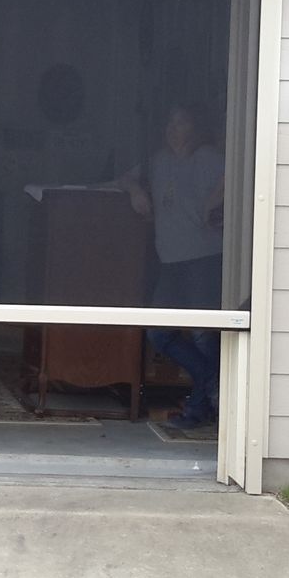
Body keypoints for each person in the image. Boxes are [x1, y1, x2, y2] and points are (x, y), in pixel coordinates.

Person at [113, 104, 224, 434]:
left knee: (205, 335)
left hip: (203, 257)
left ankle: (199, 407)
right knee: (159, 332)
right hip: (170, 259)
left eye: (183, 122)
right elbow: (124, 177)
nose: (175, 129)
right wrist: (134, 190)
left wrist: (213, 202)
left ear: (195, 126)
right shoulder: (158, 160)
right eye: (170, 123)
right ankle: (211, 383)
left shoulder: (208, 156)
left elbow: (239, 172)